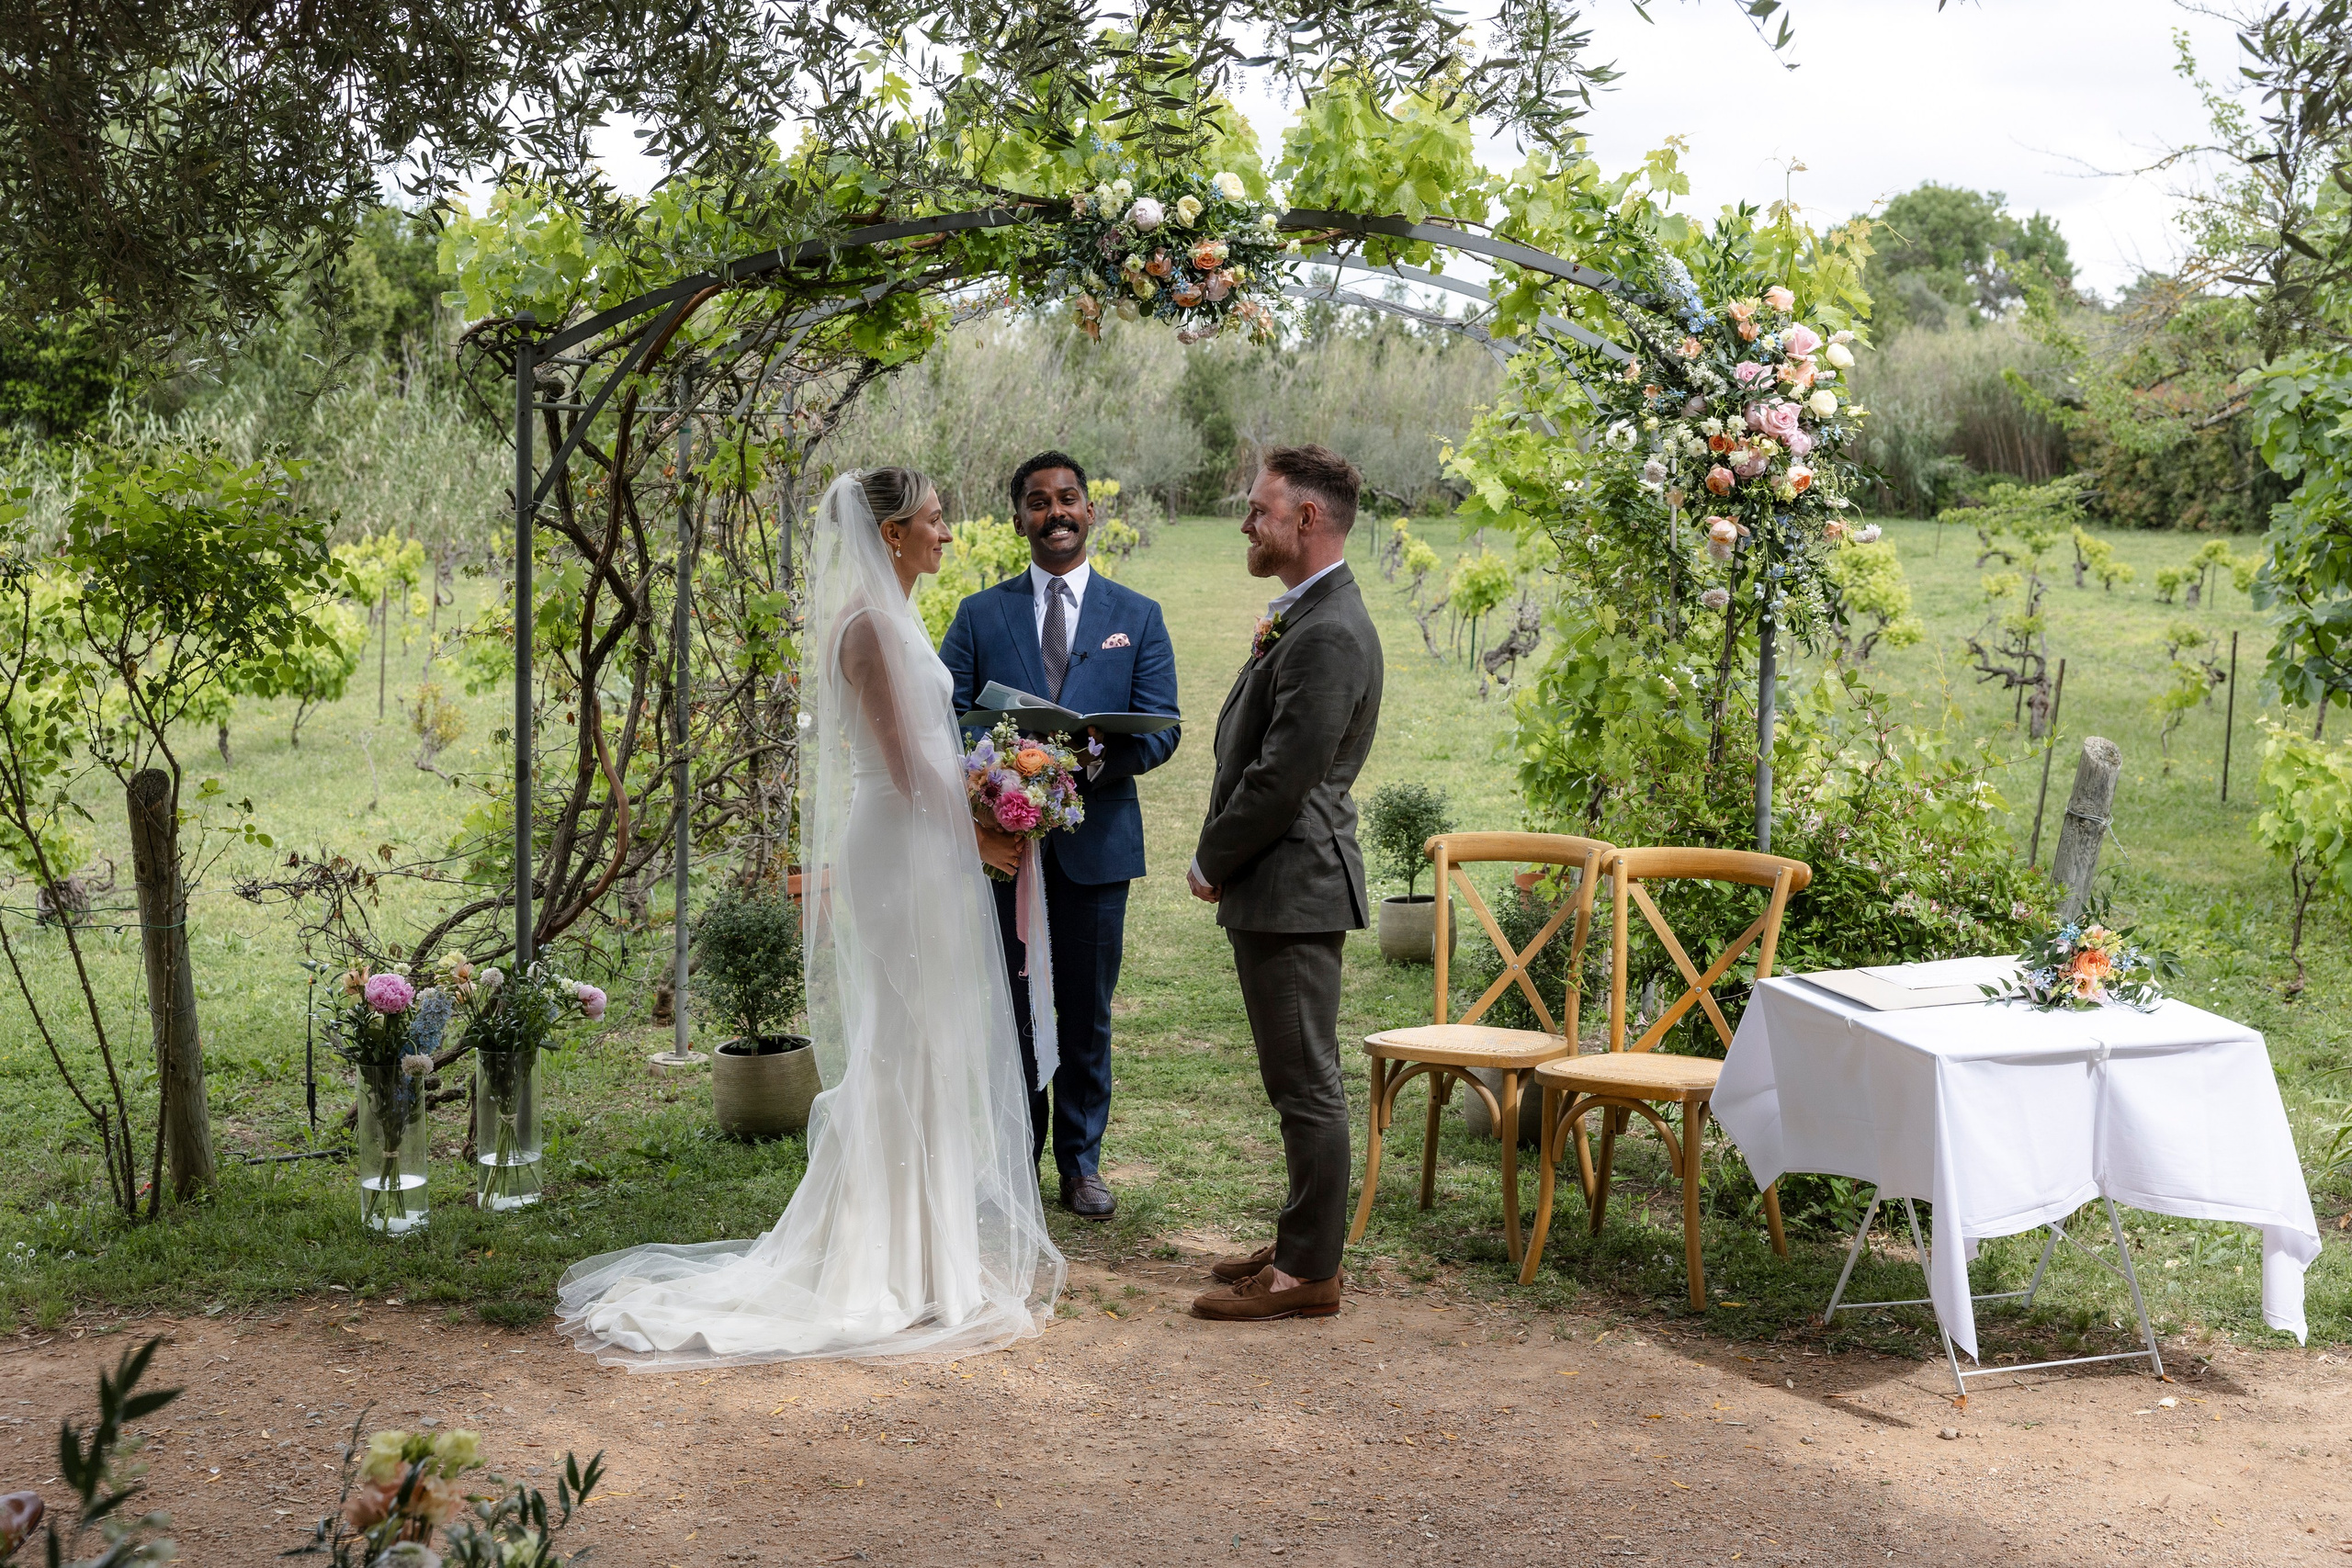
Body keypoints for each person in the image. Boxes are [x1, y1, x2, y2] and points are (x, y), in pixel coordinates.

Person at [555, 468, 1065, 1368]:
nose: (949, 533)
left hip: (924, 844)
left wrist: (995, 795)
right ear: (894, 532)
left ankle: (927, 1258)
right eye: (937, 520)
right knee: (904, 1041)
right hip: (899, 849)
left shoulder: (896, 617)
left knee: (929, 1042)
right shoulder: (867, 628)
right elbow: (906, 767)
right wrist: (988, 820)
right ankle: (881, 1261)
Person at [940, 451, 1182, 1219]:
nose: (1057, 513)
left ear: (1090, 510)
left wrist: (1073, 769)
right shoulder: (980, 614)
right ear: (1018, 516)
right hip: (999, 853)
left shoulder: (1136, 616)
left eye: (1069, 498)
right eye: (1038, 502)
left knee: (1086, 1010)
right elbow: (941, 717)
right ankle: (1015, 1159)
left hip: (1096, 847)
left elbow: (1162, 728)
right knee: (1006, 1008)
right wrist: (1000, 778)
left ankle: (1081, 1163)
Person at [1185, 445, 1383, 1324]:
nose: (1246, 522)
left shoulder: (1333, 628)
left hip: (1293, 880)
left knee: (1307, 1082)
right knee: (1294, 1077)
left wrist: (1210, 856)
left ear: (1308, 518)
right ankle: (1305, 1234)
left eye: (1261, 509)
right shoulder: (1309, 612)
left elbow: (1283, 776)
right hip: (1281, 880)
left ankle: (1309, 1272)